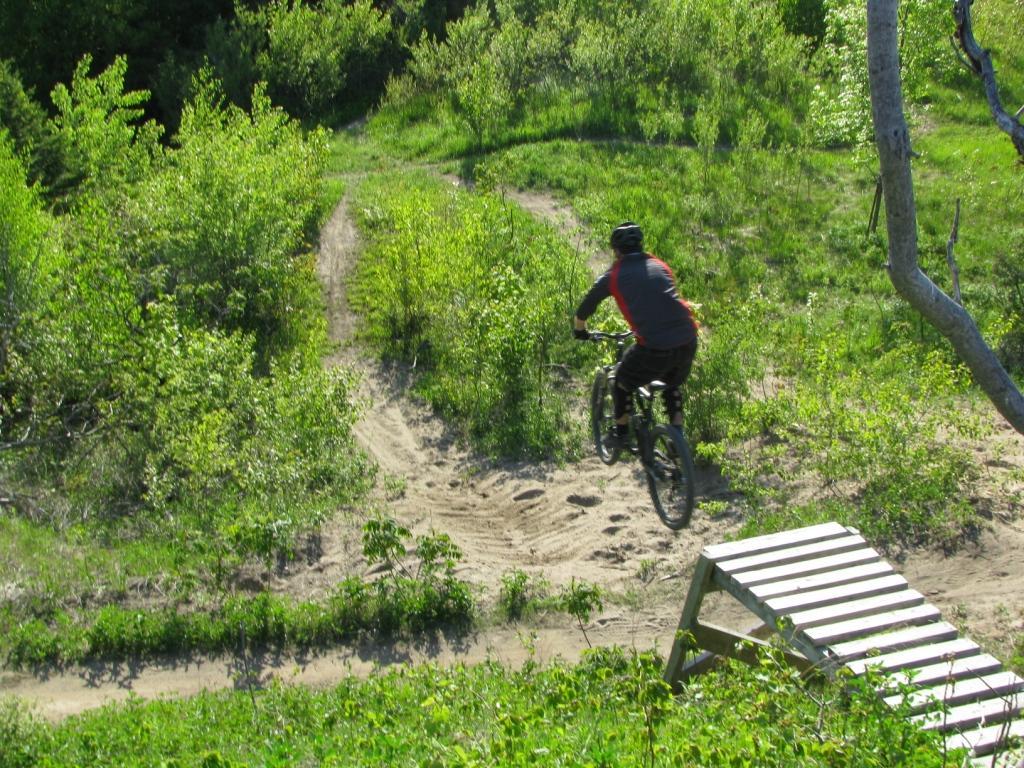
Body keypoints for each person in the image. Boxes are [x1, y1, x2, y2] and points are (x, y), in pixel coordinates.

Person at [573, 221, 699, 449]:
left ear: (616, 251)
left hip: (655, 346)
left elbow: (586, 305)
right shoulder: (660, 265)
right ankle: (677, 437)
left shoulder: (613, 275)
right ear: (641, 245)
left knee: (621, 379)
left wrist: (579, 329)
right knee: (672, 382)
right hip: (688, 338)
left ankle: (621, 433)